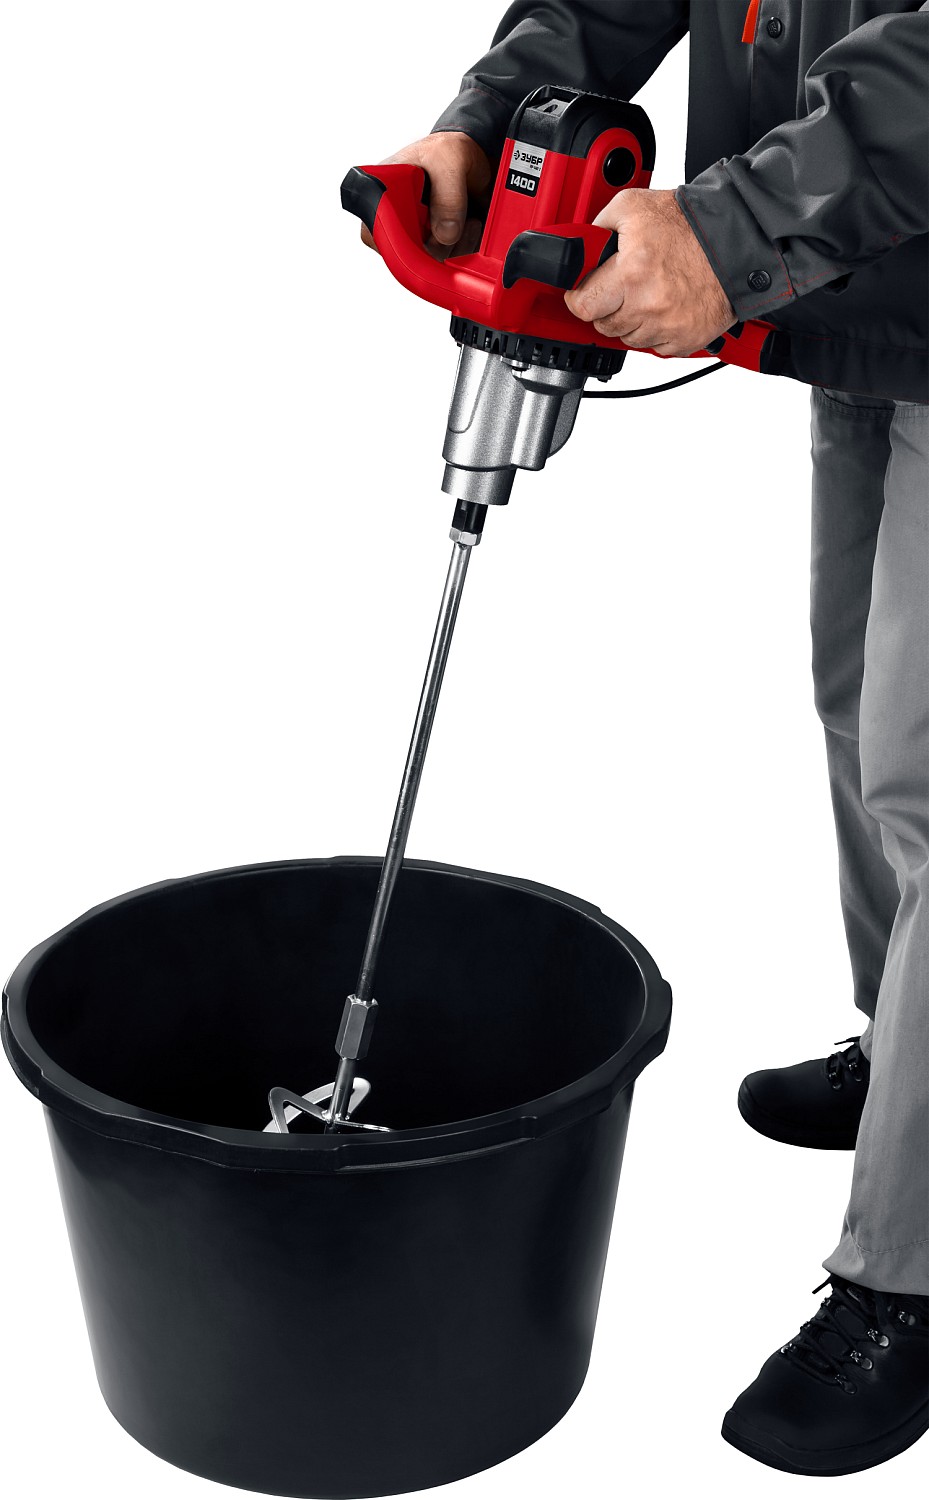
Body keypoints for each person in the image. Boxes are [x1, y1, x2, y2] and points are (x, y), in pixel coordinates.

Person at [361, 0, 929, 1477]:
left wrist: (731, 223)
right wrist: (492, 120)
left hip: (828, 226)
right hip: (856, 273)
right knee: (854, 705)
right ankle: (906, 1059)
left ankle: (909, 1272)